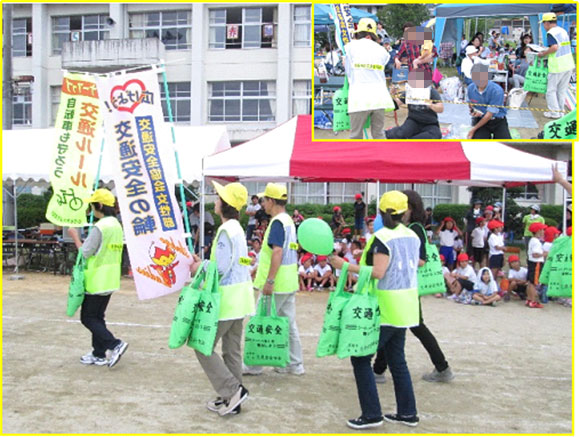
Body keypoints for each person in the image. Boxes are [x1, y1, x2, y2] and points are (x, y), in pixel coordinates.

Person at [329, 190, 420, 429]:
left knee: (360, 358)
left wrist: (346, 266)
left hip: (386, 307)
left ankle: (372, 414)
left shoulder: (382, 238)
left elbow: (379, 272)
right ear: (404, 212)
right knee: (397, 360)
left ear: (380, 213)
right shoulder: (413, 235)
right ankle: (407, 413)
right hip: (406, 305)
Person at [189, 181, 254, 416]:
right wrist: (204, 264)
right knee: (231, 350)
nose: (215, 201)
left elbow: (221, 268)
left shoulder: (226, 230)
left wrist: (200, 266)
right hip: (240, 298)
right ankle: (233, 398)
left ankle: (232, 391)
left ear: (223, 205)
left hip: (227, 300)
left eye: (218, 198)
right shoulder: (236, 228)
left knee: (201, 344)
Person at [245, 183, 304, 375]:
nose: (262, 204)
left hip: (277, 283)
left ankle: (254, 365)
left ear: (271, 201)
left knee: (260, 321)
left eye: (264, 200)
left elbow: (277, 251)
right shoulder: (287, 220)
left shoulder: (278, 222)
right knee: (289, 324)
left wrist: (269, 280)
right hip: (288, 281)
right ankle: (295, 365)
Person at [67, 188, 128, 368]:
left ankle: (114, 344)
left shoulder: (101, 226)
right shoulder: (116, 225)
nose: (92, 209)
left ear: (99, 205)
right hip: (110, 278)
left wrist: (75, 237)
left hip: (97, 279)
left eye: (93, 205)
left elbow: (85, 252)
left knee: (88, 318)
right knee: (97, 316)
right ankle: (98, 353)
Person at [344, 18, 390, 139]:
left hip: (359, 97)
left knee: (355, 135)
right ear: (372, 35)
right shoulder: (382, 51)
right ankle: (382, 157)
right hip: (379, 97)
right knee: (379, 133)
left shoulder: (350, 47)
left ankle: (357, 158)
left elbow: (348, 72)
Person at [537, 13, 575, 119]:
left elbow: (554, 47)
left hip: (558, 66)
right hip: (568, 64)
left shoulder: (551, 33)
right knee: (561, 90)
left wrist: (543, 53)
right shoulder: (562, 31)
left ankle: (554, 112)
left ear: (548, 23)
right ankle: (561, 112)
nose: (544, 26)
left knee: (551, 90)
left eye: (544, 24)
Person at [386, 70, 444, 139]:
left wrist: (431, 105)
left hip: (430, 123)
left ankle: (412, 139)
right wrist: (393, 94)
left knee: (436, 135)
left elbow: (441, 108)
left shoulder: (431, 91)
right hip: (413, 121)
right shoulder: (411, 91)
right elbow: (397, 103)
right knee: (400, 134)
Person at [467, 64, 511, 139]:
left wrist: (473, 130)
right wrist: (473, 110)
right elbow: (471, 103)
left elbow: (489, 115)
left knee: (506, 144)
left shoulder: (497, 90)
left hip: (498, 120)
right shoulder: (470, 88)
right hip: (481, 119)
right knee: (479, 143)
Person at [525, 223, 547, 309]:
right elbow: (535, 254)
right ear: (538, 231)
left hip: (532, 262)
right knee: (534, 282)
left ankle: (529, 299)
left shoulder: (533, 240)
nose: (543, 232)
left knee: (531, 282)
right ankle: (533, 300)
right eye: (542, 230)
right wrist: (544, 254)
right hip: (536, 263)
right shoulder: (536, 241)